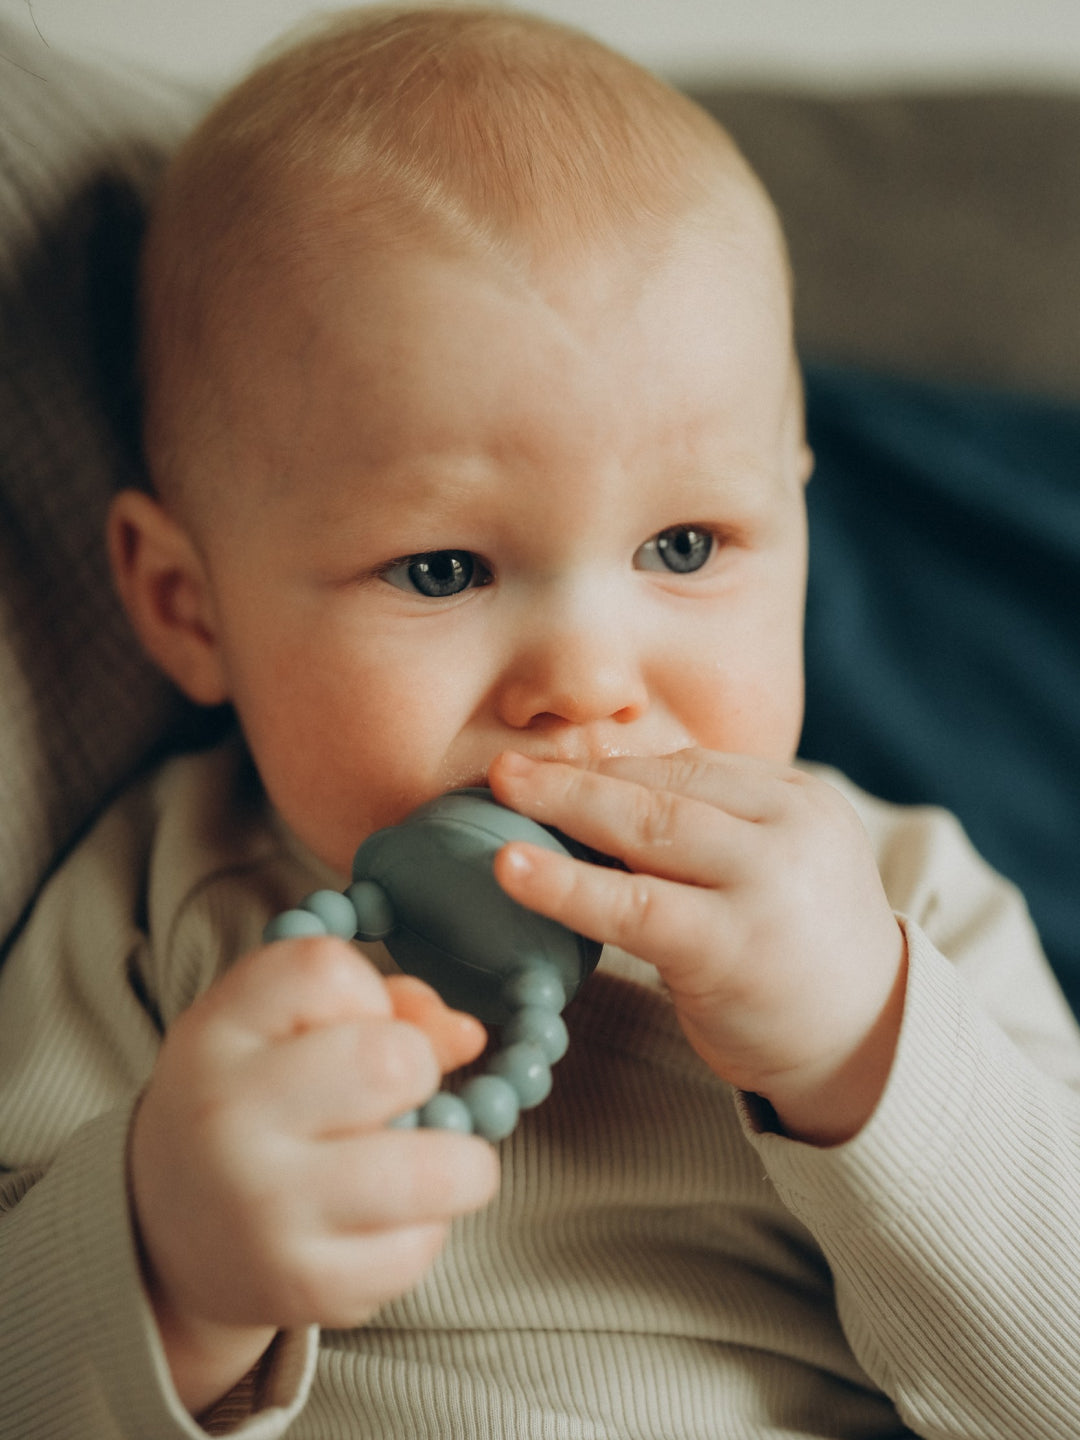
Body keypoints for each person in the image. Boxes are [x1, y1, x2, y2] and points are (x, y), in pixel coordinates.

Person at [3, 5, 1080, 1436]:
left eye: (686, 546)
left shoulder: (898, 906)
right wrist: (165, 1264)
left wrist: (865, 1053)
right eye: (443, 568)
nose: (588, 680)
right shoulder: (155, 913)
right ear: (187, 608)